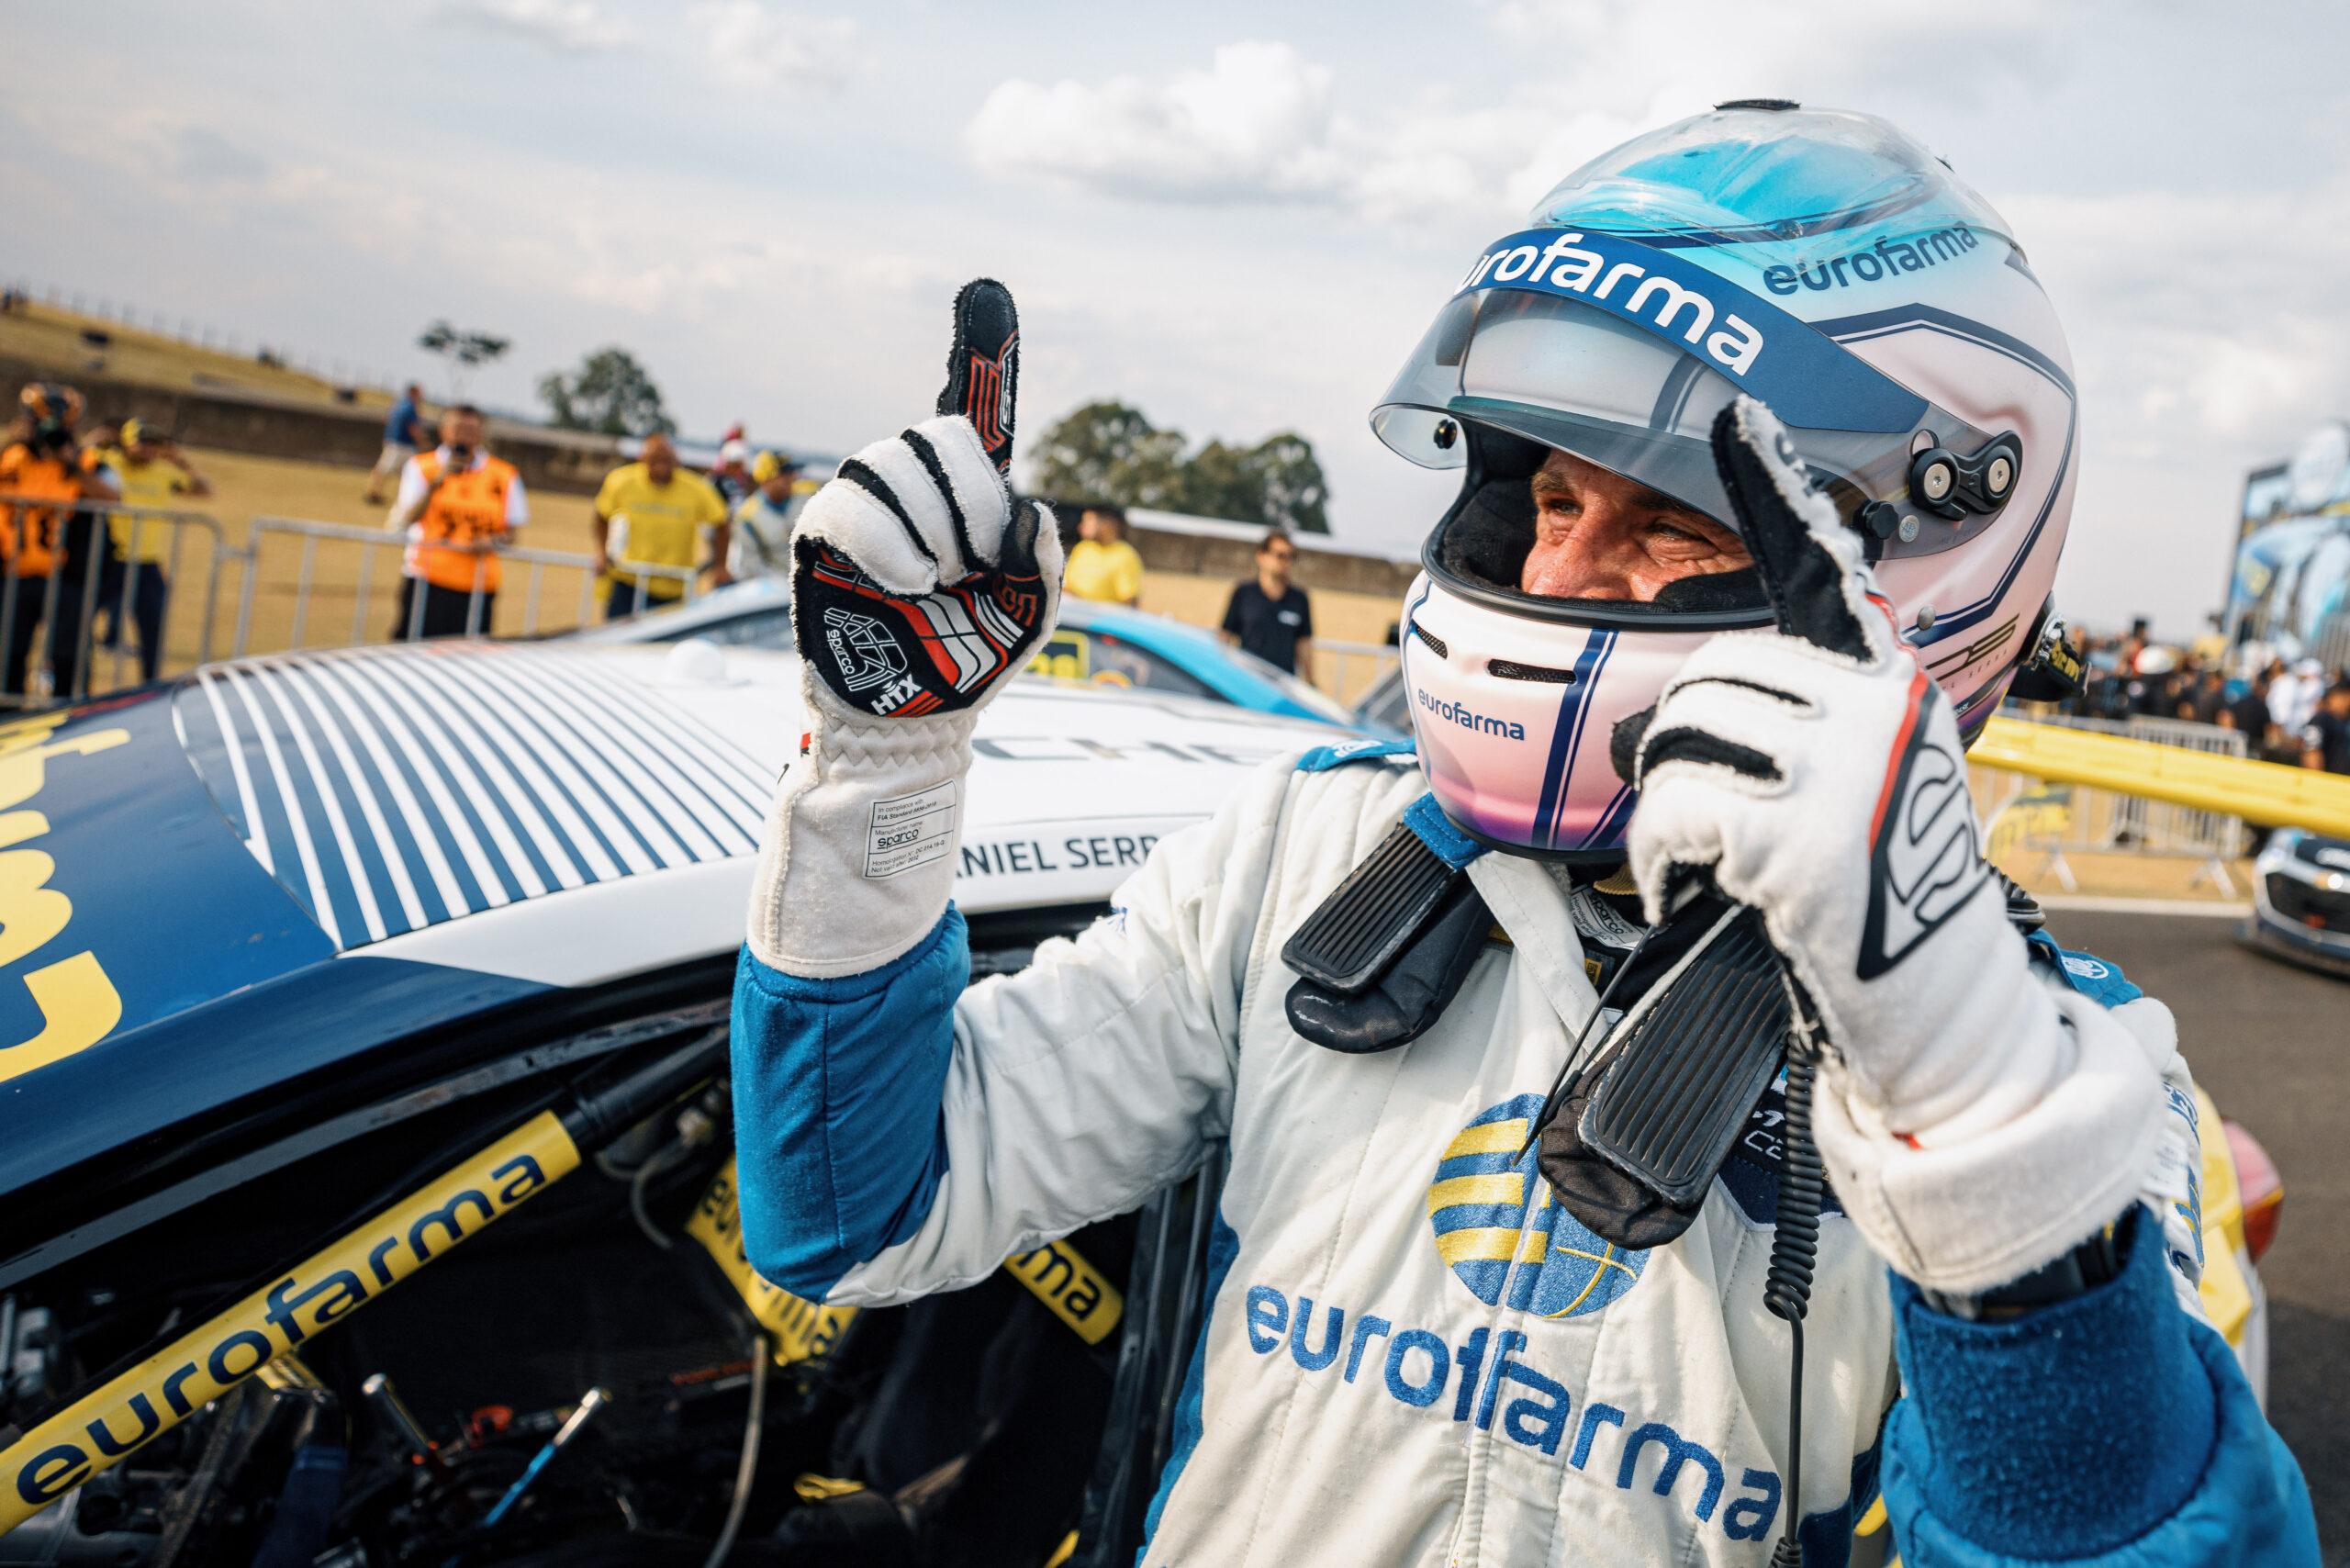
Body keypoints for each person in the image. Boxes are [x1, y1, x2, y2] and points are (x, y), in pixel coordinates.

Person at [729, 112, 2317, 1567]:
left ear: (1919, 567)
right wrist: (881, 766)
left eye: (1675, 520)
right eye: (1550, 500)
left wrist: (1978, 1140)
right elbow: (854, 1207)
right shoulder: (1310, 851)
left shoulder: (2070, 1077)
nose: (1553, 577)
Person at [0, 383, 117, 697]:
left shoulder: (83, 462)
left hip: (65, 578)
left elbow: (112, 497)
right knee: (8, 653)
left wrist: (70, 462)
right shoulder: (10, 457)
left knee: (69, 656)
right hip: (13, 575)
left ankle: (70, 720)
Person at [386, 405, 525, 639]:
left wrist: (490, 542)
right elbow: (408, 518)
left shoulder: (504, 475)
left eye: (471, 430)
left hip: (478, 585)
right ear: (443, 431)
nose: (464, 436)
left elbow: (512, 533)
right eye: (458, 429)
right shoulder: (422, 466)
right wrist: (435, 484)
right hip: (427, 577)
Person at [88, 418, 207, 682]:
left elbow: (203, 490)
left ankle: (151, 688)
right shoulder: (108, 463)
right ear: (126, 442)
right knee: (77, 623)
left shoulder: (163, 471)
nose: (148, 449)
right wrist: (95, 439)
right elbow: (76, 461)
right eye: (142, 442)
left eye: (154, 444)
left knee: (153, 632)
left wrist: (180, 461)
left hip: (146, 563)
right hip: (109, 560)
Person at [591, 433, 731, 619]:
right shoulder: (621, 481)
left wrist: (720, 564)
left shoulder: (695, 488)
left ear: (676, 461)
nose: (661, 467)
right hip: (629, 580)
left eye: (667, 461)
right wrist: (602, 552)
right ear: (642, 460)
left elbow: (721, 521)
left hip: (674, 584)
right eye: (654, 461)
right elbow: (602, 515)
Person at [1220, 528, 1312, 674]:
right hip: (1249, 678)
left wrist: (1310, 680)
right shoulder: (1244, 593)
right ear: (1261, 556)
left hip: (1284, 683)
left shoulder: (1299, 598)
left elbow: (1304, 643)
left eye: (1291, 556)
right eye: (1280, 556)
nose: (1286, 562)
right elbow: (1225, 636)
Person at [728, 450, 803, 581]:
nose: (791, 479)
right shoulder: (748, 516)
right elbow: (749, 564)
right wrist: (782, 582)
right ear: (767, 479)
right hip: (774, 588)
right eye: (783, 475)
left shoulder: (806, 498)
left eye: (791, 474)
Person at [1062, 503, 1145, 606]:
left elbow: (1129, 601)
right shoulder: (1082, 548)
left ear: (1107, 526)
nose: (1081, 527)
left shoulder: (1125, 555)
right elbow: (1066, 585)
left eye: (1088, 521)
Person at [365, 383, 429, 505]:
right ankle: (374, 493)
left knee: (386, 469)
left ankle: (375, 492)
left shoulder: (398, 403)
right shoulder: (410, 406)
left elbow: (387, 418)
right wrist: (423, 443)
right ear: (414, 393)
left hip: (392, 440)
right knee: (401, 470)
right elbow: (413, 427)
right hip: (402, 444)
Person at [2303, 678, 2350, 773]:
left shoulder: (2345, 721)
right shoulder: (2321, 719)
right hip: (2328, 782)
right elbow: (2312, 754)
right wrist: (2321, 783)